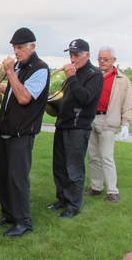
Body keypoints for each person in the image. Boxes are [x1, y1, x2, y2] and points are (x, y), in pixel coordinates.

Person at [0, 27, 49, 237]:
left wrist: (10, 73)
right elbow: (14, 90)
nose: (16, 51)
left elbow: (24, 97)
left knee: (17, 179)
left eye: (21, 47)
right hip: (6, 130)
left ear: (33, 46)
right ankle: (8, 214)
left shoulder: (40, 69)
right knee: (3, 176)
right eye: (14, 47)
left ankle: (24, 222)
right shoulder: (20, 67)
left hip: (22, 134)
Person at [47, 39, 103, 218]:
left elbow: (85, 98)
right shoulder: (74, 72)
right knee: (59, 166)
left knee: (74, 168)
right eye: (71, 54)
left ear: (87, 55)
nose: (73, 58)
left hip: (78, 127)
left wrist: (71, 77)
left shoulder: (95, 74)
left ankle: (73, 204)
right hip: (63, 124)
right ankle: (62, 198)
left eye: (76, 54)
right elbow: (65, 99)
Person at [87, 47, 132, 203]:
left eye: (106, 59)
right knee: (93, 157)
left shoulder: (122, 79)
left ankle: (112, 191)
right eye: (99, 58)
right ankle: (96, 187)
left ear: (113, 60)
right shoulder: (93, 75)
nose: (102, 62)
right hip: (90, 118)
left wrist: (126, 124)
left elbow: (128, 104)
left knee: (106, 157)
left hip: (108, 120)